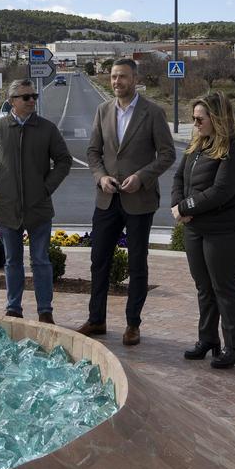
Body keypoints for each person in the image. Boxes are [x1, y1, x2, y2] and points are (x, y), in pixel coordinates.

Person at [79, 58, 175, 346]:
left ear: (135, 79)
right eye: (113, 77)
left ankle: (133, 324)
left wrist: (142, 177)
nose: (116, 82)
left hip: (139, 200)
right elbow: (93, 152)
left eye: (122, 76)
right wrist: (101, 177)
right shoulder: (103, 110)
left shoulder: (153, 112)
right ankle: (97, 319)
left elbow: (167, 154)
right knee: (99, 261)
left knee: (137, 264)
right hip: (107, 199)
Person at [0, 78, 72, 323]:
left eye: (34, 96)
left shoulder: (47, 129)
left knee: (41, 261)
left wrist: (47, 187)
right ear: (12, 101)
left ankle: (45, 311)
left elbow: (64, 160)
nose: (31, 101)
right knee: (12, 261)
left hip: (39, 208)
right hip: (7, 208)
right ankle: (13, 309)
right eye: (26, 97)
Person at [171, 92, 235, 370]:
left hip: (226, 230)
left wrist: (186, 207)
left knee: (224, 288)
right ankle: (208, 339)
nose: (195, 124)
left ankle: (234, 348)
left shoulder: (234, 149)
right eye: (193, 119)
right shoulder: (198, 143)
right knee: (204, 287)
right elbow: (179, 177)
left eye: (199, 119)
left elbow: (221, 191)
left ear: (216, 118)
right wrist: (178, 204)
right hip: (197, 227)